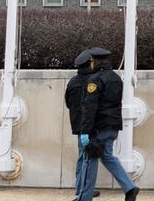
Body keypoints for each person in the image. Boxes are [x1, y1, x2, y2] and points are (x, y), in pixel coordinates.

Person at [78, 47, 141, 201]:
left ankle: (85, 198)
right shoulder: (116, 78)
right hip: (113, 126)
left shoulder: (94, 80)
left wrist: (85, 130)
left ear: (94, 61)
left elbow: (90, 107)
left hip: (98, 127)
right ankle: (130, 188)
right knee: (107, 156)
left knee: (90, 158)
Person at [65, 49, 101, 201]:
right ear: (90, 63)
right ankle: (84, 191)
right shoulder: (93, 80)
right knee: (88, 156)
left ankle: (81, 188)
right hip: (90, 123)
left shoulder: (73, 81)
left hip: (77, 123)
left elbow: (67, 102)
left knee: (82, 155)